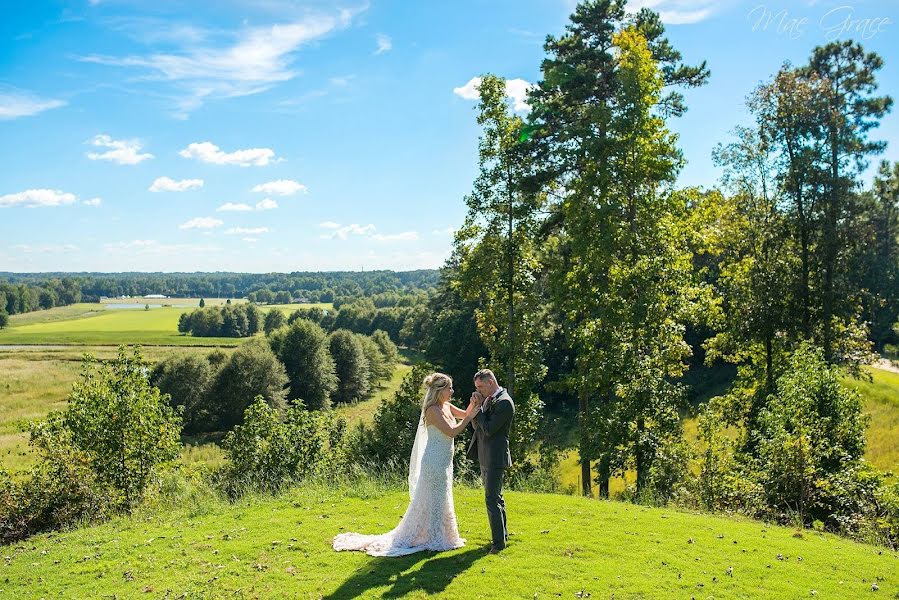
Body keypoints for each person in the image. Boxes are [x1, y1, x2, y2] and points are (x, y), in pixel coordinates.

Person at [332, 372, 478, 556]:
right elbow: (452, 431)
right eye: (449, 388)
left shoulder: (446, 406)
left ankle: (443, 536)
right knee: (435, 498)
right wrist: (470, 415)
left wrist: (474, 403)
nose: (452, 391)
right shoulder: (432, 410)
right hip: (433, 462)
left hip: (444, 462)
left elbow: (465, 414)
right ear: (440, 391)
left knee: (441, 497)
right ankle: (436, 537)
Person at [466, 368, 514, 554]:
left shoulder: (504, 403)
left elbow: (489, 429)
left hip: (495, 456)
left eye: (480, 386)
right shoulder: (488, 399)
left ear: (491, 382)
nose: (478, 391)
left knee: (491, 499)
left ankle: (497, 544)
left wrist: (478, 411)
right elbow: (476, 425)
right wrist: (476, 408)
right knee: (496, 498)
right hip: (485, 455)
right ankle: (502, 536)